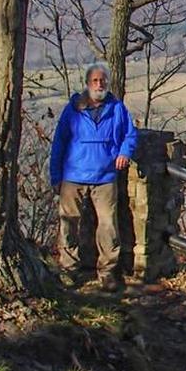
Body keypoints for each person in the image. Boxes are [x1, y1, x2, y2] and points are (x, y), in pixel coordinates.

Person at [49, 62, 138, 292]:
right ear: (88, 84)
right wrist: (55, 175)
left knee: (108, 225)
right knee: (69, 223)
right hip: (73, 174)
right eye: (95, 81)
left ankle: (108, 272)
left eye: (103, 80)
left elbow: (130, 134)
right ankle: (69, 269)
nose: (99, 84)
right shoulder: (73, 110)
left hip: (105, 175)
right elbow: (59, 142)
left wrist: (124, 152)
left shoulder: (117, 108)